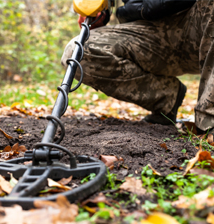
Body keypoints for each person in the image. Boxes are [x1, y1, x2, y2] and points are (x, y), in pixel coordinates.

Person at [61, 0, 214, 135]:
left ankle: (209, 122)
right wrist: (101, 13)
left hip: (199, 23)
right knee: (76, 52)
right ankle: (167, 98)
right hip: (148, 32)